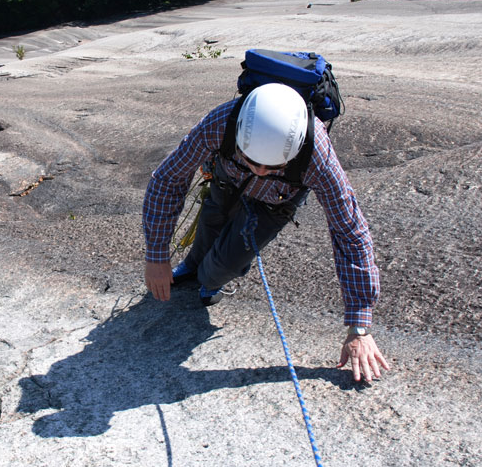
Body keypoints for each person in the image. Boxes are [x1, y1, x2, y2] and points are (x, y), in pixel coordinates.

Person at [142, 83, 390, 382]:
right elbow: (167, 180)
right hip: (226, 179)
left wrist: (359, 326)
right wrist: (156, 257)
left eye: (272, 165)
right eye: (251, 160)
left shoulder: (318, 156)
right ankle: (193, 270)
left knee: (224, 264)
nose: (259, 170)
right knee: (209, 226)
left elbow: (350, 232)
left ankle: (208, 281)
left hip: (276, 202)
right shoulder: (220, 123)